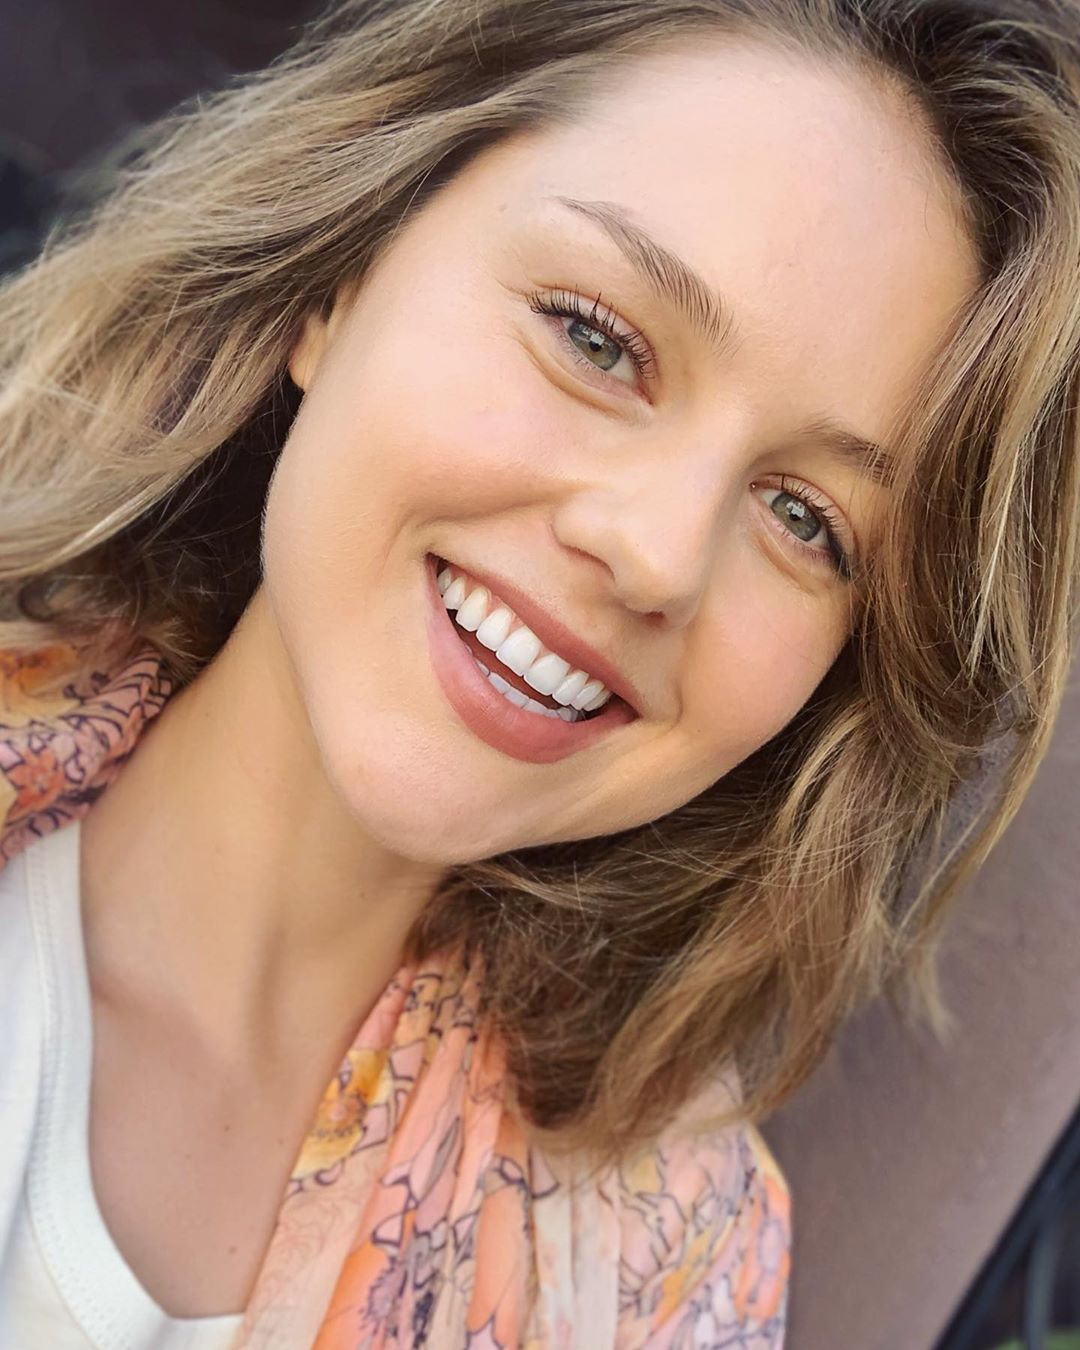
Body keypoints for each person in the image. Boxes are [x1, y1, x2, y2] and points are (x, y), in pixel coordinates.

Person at [1, 0, 1079, 1344]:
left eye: (807, 521)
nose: (658, 554)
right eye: (595, 338)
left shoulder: (666, 1275)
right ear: (345, 281)